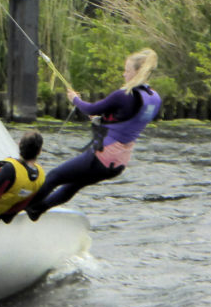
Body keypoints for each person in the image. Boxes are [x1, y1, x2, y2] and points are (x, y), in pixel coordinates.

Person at [26, 48, 162, 220]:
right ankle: (36, 211)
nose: (123, 74)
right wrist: (102, 119)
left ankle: (24, 209)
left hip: (102, 156)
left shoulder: (124, 95)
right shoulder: (154, 98)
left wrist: (75, 99)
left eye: (127, 71)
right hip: (118, 163)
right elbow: (128, 119)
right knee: (73, 185)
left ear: (137, 72)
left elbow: (90, 108)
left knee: (54, 176)